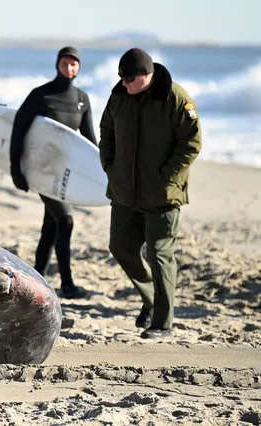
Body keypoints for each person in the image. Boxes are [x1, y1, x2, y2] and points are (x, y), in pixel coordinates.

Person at [98, 48, 202, 338]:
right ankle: (152, 299)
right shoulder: (119, 96)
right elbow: (106, 131)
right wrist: (109, 165)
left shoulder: (175, 98)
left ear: (147, 75)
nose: (124, 83)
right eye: (121, 78)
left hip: (162, 195)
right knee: (120, 246)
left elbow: (191, 142)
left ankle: (162, 323)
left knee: (159, 255)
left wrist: (166, 177)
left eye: (130, 79)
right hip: (124, 192)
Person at [9, 46, 96, 299]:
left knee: (51, 225)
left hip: (65, 175)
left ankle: (38, 275)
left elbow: (89, 140)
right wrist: (17, 169)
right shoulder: (41, 95)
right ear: (57, 64)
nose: (70, 68)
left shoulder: (82, 99)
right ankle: (67, 285)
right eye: (65, 63)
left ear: (79, 67)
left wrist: (104, 167)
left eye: (74, 64)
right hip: (42, 171)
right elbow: (19, 130)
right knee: (65, 221)